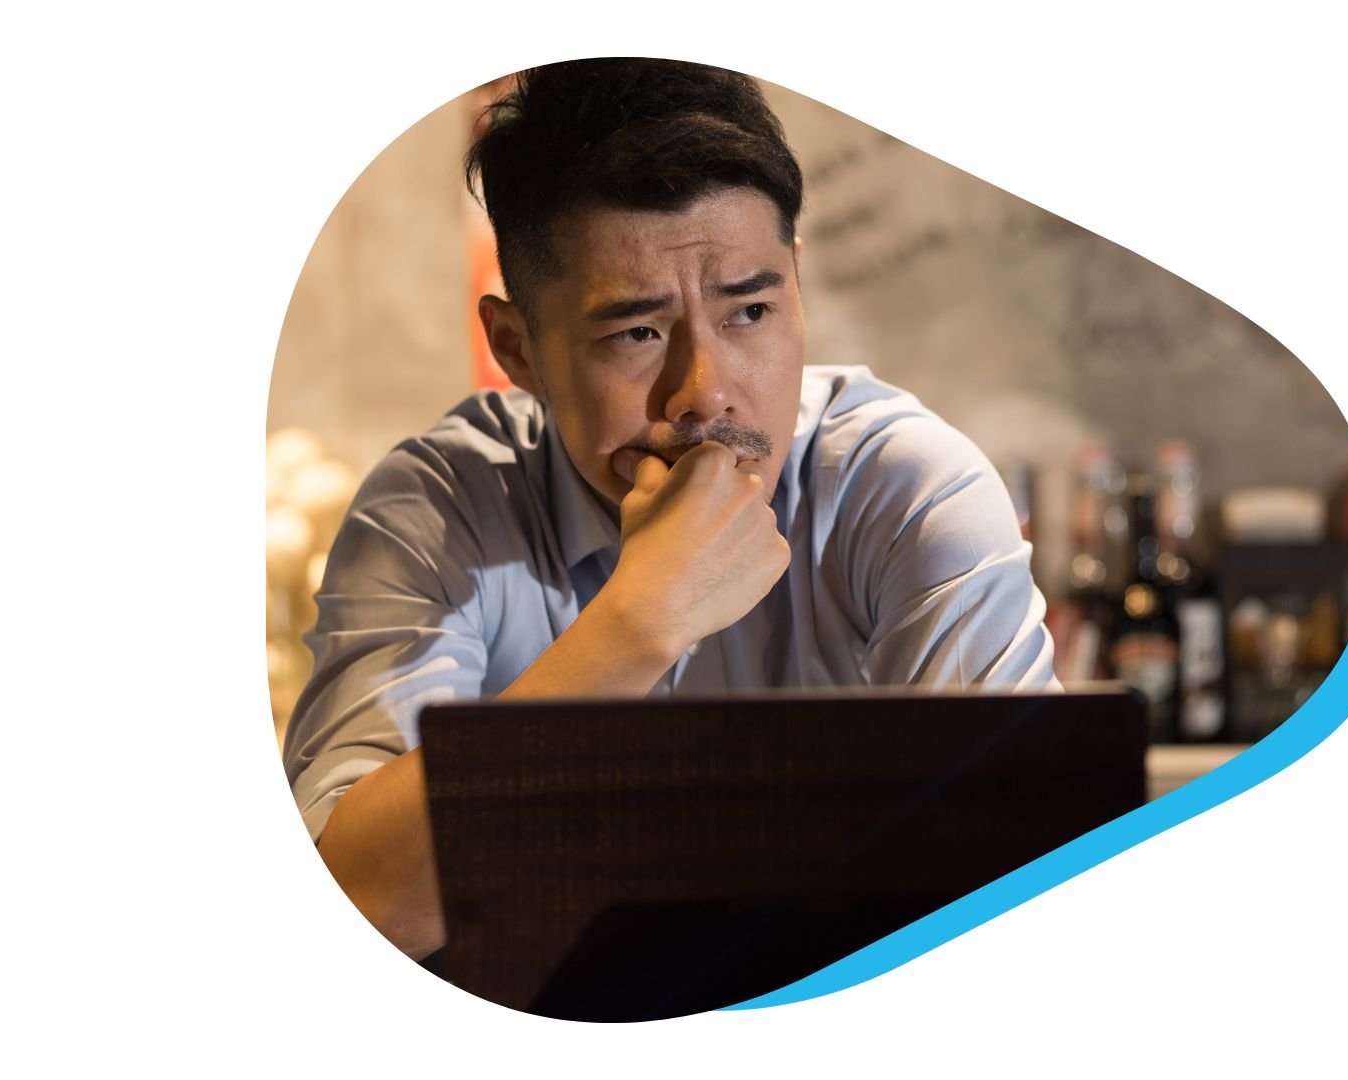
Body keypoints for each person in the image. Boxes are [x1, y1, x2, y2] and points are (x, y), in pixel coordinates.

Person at [282, 58, 1058, 960]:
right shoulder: (437, 510)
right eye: (637, 332)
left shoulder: (908, 491)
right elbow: (358, 914)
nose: (707, 395)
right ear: (516, 348)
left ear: (796, 286)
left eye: (751, 311)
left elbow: (1018, 897)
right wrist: (639, 621)